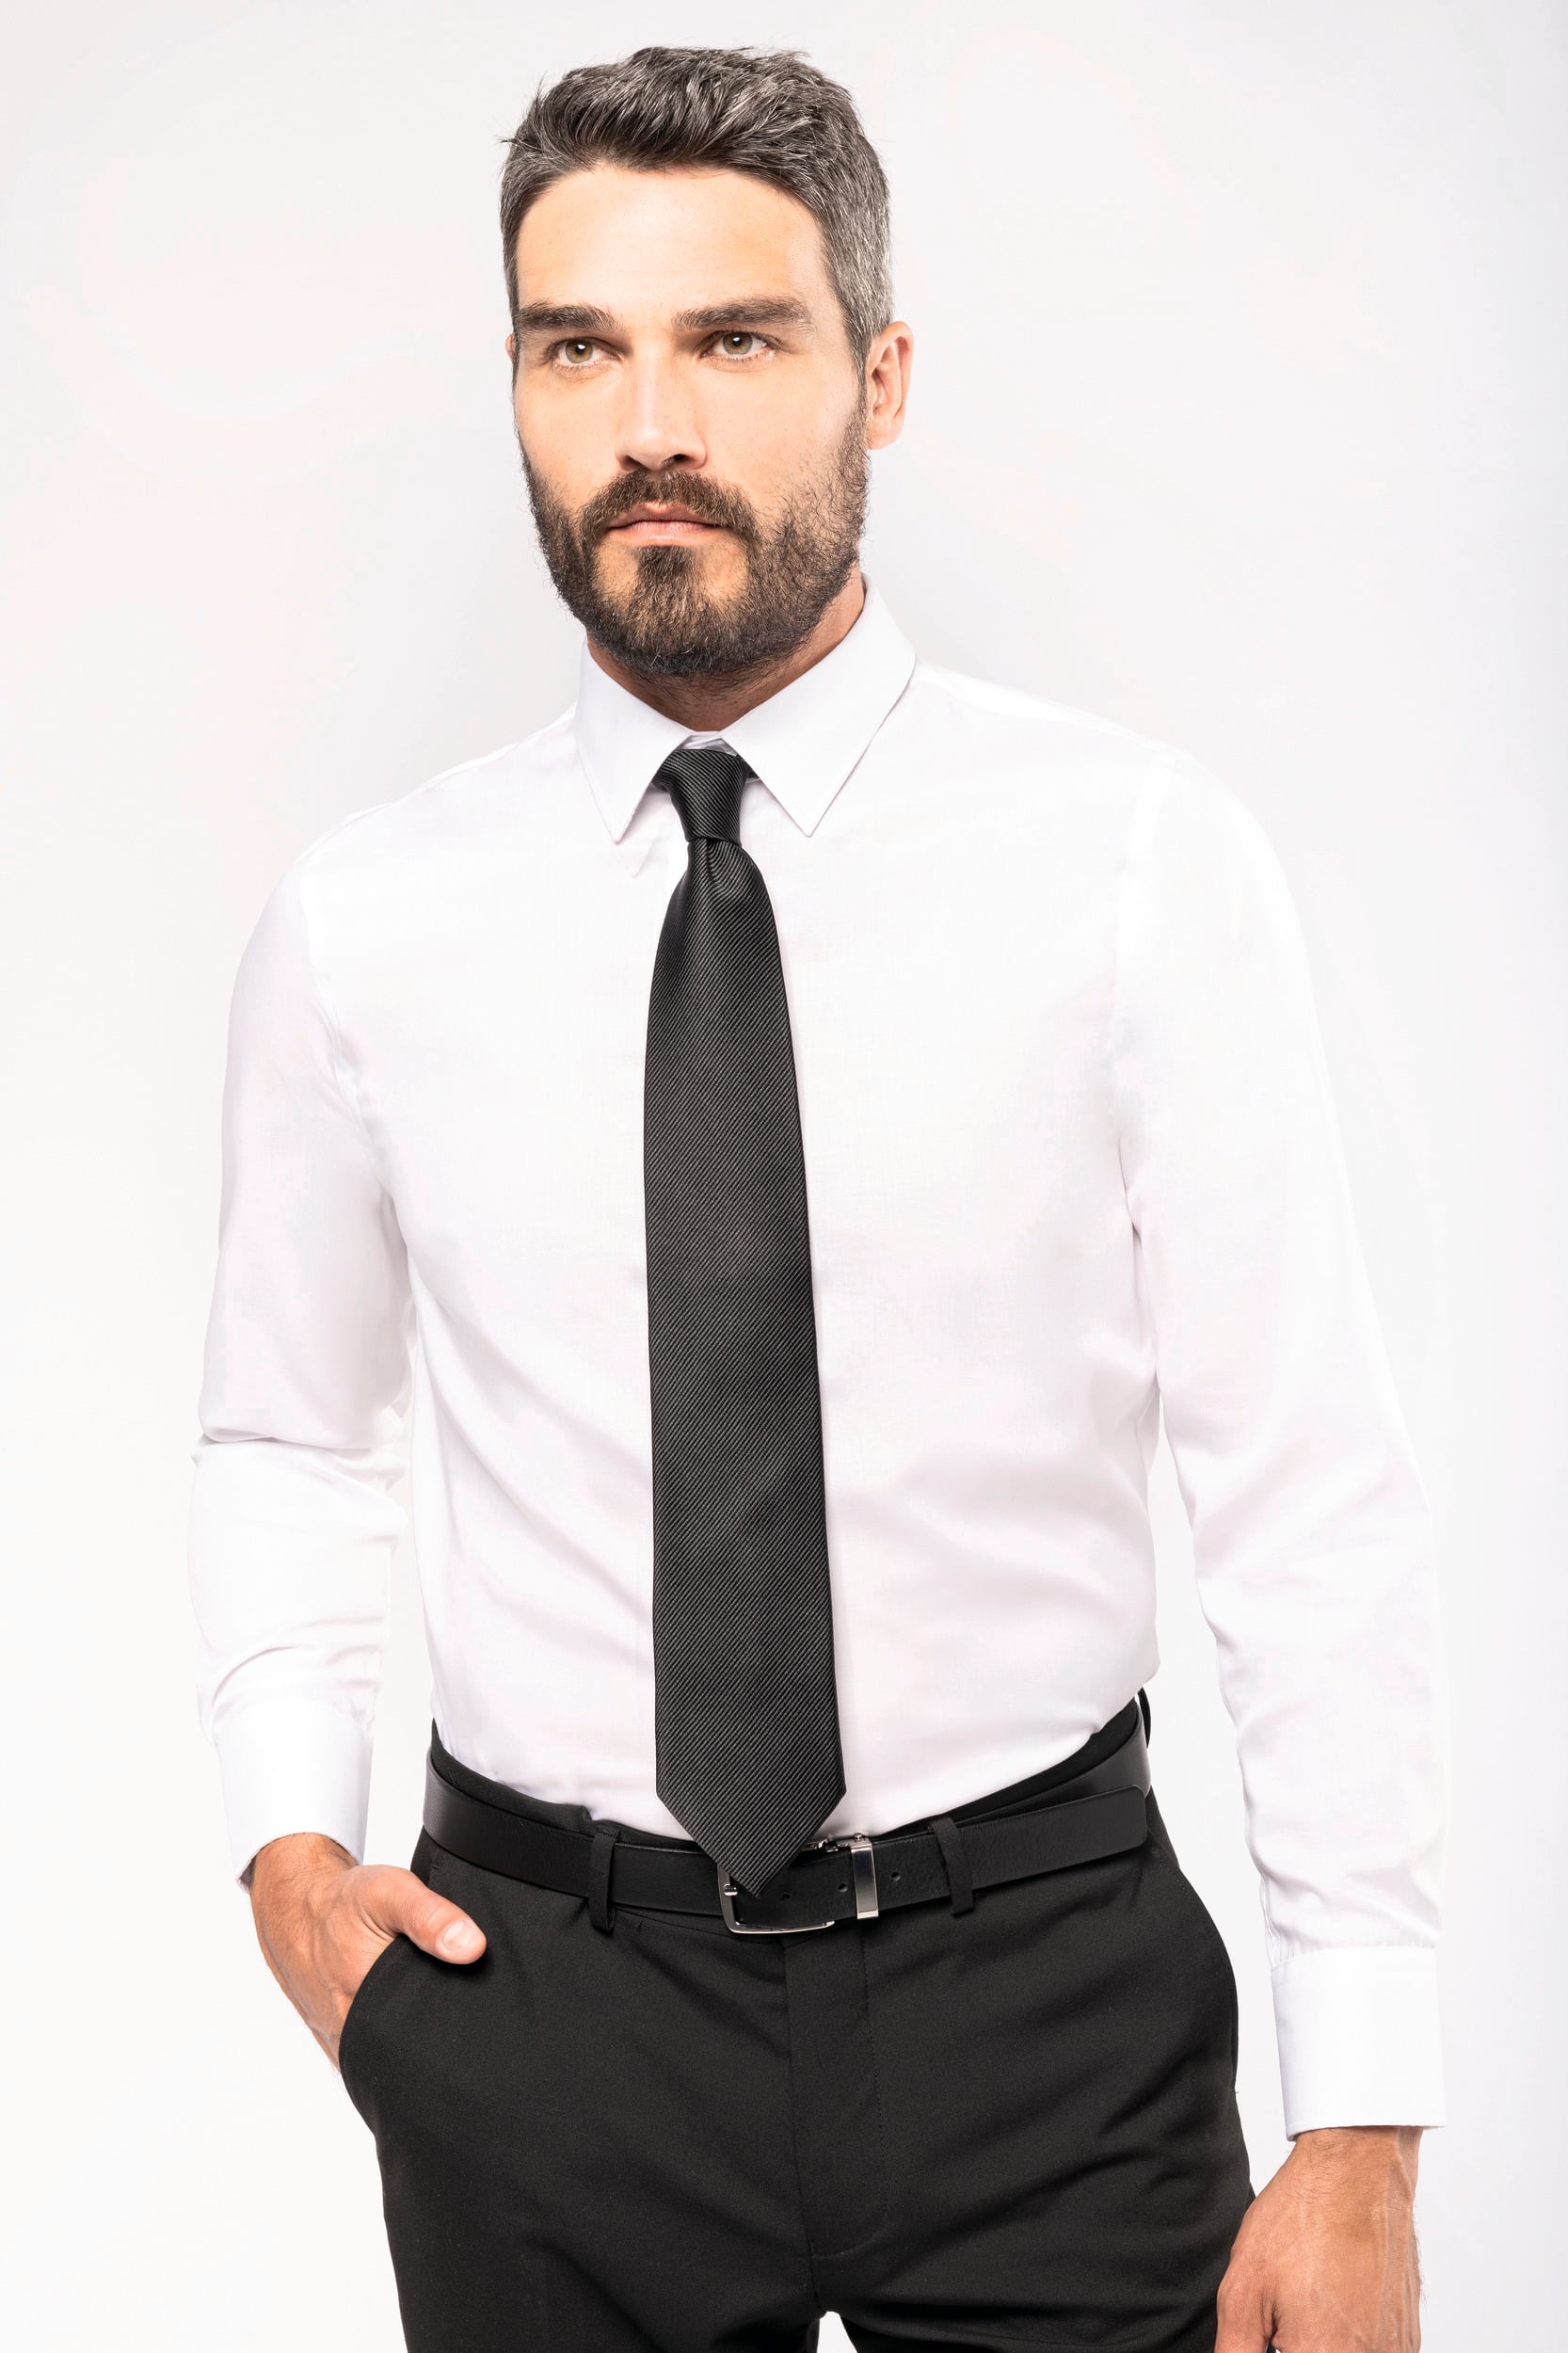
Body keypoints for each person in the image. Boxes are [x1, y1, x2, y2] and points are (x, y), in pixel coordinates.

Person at [188, 42, 1445, 2353]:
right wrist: (289, 1845)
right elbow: (289, 1424)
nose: (650, 422)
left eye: (734, 340)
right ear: (516, 385)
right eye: (580, 346)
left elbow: (1301, 1486)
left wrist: (1358, 2115)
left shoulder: (1131, 867)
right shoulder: (367, 925)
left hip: (1042, 1996)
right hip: (541, 2006)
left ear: (876, 376)